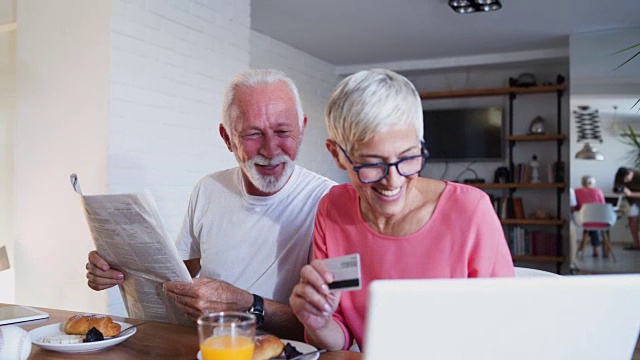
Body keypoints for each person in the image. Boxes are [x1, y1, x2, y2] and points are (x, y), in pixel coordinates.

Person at [85, 69, 336, 340]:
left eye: (283, 131)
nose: (271, 150)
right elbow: (175, 278)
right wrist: (119, 270)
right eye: (253, 134)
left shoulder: (330, 200)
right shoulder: (208, 189)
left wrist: (247, 304)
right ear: (227, 138)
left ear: (302, 130)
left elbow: (331, 327)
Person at [289, 69, 515, 352]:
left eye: (408, 158)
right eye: (372, 163)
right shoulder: (334, 209)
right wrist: (318, 323)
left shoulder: (470, 212)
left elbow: (506, 330)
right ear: (337, 154)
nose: (392, 181)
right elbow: (341, 337)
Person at [572, 175, 606, 257]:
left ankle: (582, 248)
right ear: (592, 183)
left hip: (582, 219)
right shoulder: (598, 191)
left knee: (588, 226)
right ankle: (596, 249)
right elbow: (602, 205)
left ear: (582, 183)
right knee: (592, 225)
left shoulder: (576, 191)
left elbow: (575, 206)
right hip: (599, 220)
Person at [614, 167, 640, 250]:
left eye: (626, 179)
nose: (624, 181)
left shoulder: (638, 175)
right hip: (631, 202)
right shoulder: (619, 177)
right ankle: (636, 244)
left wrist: (630, 193)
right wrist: (619, 191)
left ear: (630, 174)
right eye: (623, 180)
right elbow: (616, 189)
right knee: (632, 220)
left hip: (634, 197)